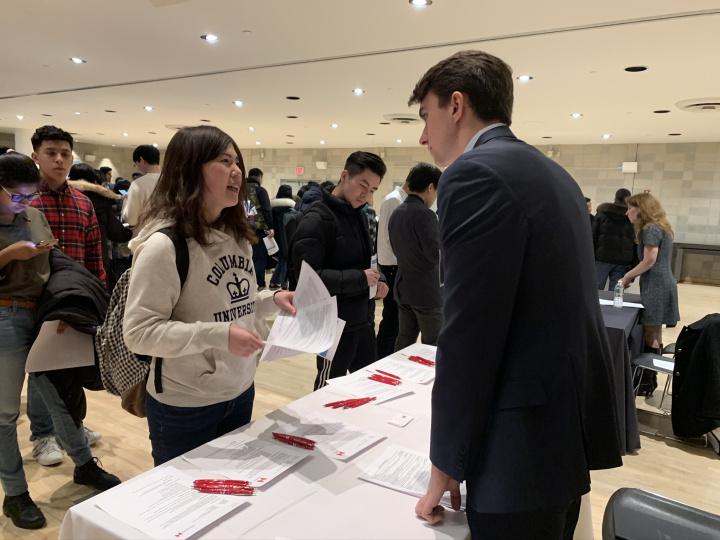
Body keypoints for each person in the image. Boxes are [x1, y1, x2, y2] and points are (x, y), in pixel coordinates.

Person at [408, 50, 622, 539]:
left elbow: (469, 332)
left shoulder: (472, 173)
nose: (423, 136)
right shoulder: (554, 175)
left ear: (456, 106)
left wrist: (445, 460)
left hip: (516, 451)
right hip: (561, 432)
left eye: (426, 116)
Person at [123, 126, 296, 466]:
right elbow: (140, 332)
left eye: (237, 162)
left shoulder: (238, 237)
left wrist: (271, 301)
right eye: (224, 160)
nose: (237, 171)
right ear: (190, 170)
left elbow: (236, 303)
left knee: (230, 493)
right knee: (185, 507)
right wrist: (218, 335)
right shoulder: (163, 246)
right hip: (185, 404)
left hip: (240, 388)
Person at [0, 153, 120, 530]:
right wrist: (7, 255)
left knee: (59, 395)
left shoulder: (33, 215)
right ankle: (15, 493)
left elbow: (50, 263)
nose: (23, 204)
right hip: (5, 316)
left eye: (27, 196)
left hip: (42, 314)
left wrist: (66, 306)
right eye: (16, 197)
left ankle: (84, 465)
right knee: (5, 414)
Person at [29, 125, 105, 464]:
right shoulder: (26, 202)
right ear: (36, 157)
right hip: (35, 299)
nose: (59, 160)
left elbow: (94, 254)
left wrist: (98, 294)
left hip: (76, 300)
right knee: (40, 368)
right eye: (51, 153)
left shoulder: (83, 203)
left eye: (65, 154)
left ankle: (72, 426)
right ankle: (43, 434)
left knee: (72, 363)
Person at [291, 151, 389, 390]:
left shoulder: (358, 215)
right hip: (332, 325)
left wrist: (378, 279)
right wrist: (361, 278)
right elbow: (308, 280)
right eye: (363, 185)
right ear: (345, 176)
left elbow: (366, 261)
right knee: (326, 389)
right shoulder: (316, 219)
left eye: (374, 190)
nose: (366, 195)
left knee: (368, 386)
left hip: (363, 319)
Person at [621, 193, 680, 396]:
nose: (627, 212)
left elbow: (649, 261)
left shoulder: (650, 229)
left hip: (657, 286)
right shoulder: (658, 227)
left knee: (651, 332)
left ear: (641, 209)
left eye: (630, 208)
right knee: (654, 332)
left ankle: (647, 381)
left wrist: (626, 277)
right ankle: (648, 379)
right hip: (659, 283)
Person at [388, 162, 443, 351]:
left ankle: (398, 377)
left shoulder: (396, 212)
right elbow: (435, 255)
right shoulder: (426, 215)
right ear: (430, 187)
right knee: (434, 345)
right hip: (426, 292)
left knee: (404, 342)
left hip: (403, 287)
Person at [68, 163, 132, 291]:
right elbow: (115, 232)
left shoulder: (60, 196)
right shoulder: (101, 200)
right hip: (97, 257)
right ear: (94, 180)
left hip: (65, 258)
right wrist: (129, 232)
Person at [376, 178, 410, 359]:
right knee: (391, 320)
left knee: (396, 320)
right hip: (391, 267)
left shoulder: (400, 200)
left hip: (397, 265)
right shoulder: (393, 200)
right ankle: (378, 358)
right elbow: (388, 239)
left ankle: (386, 357)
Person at [593, 188, 636, 290]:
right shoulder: (632, 217)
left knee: (595, 291)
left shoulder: (602, 213)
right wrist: (634, 263)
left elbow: (593, 236)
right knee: (616, 293)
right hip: (623, 261)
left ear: (615, 198)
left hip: (601, 258)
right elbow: (635, 241)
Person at [123, 144, 161, 237]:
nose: (138, 168)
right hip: (167, 238)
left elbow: (131, 219)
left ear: (142, 160)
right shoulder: (171, 181)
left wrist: (125, 201)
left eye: (136, 164)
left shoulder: (138, 184)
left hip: (144, 238)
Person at [246, 168, 274, 289]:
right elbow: (266, 210)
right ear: (259, 178)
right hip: (258, 228)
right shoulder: (260, 190)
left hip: (242, 228)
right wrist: (270, 227)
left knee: (247, 256)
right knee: (259, 257)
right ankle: (260, 284)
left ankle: (248, 283)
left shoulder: (240, 190)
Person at [269, 185, 295, 290]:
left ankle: (273, 282)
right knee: (285, 261)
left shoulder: (273, 207)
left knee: (281, 261)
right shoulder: (290, 208)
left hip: (276, 238)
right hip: (287, 237)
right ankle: (284, 284)